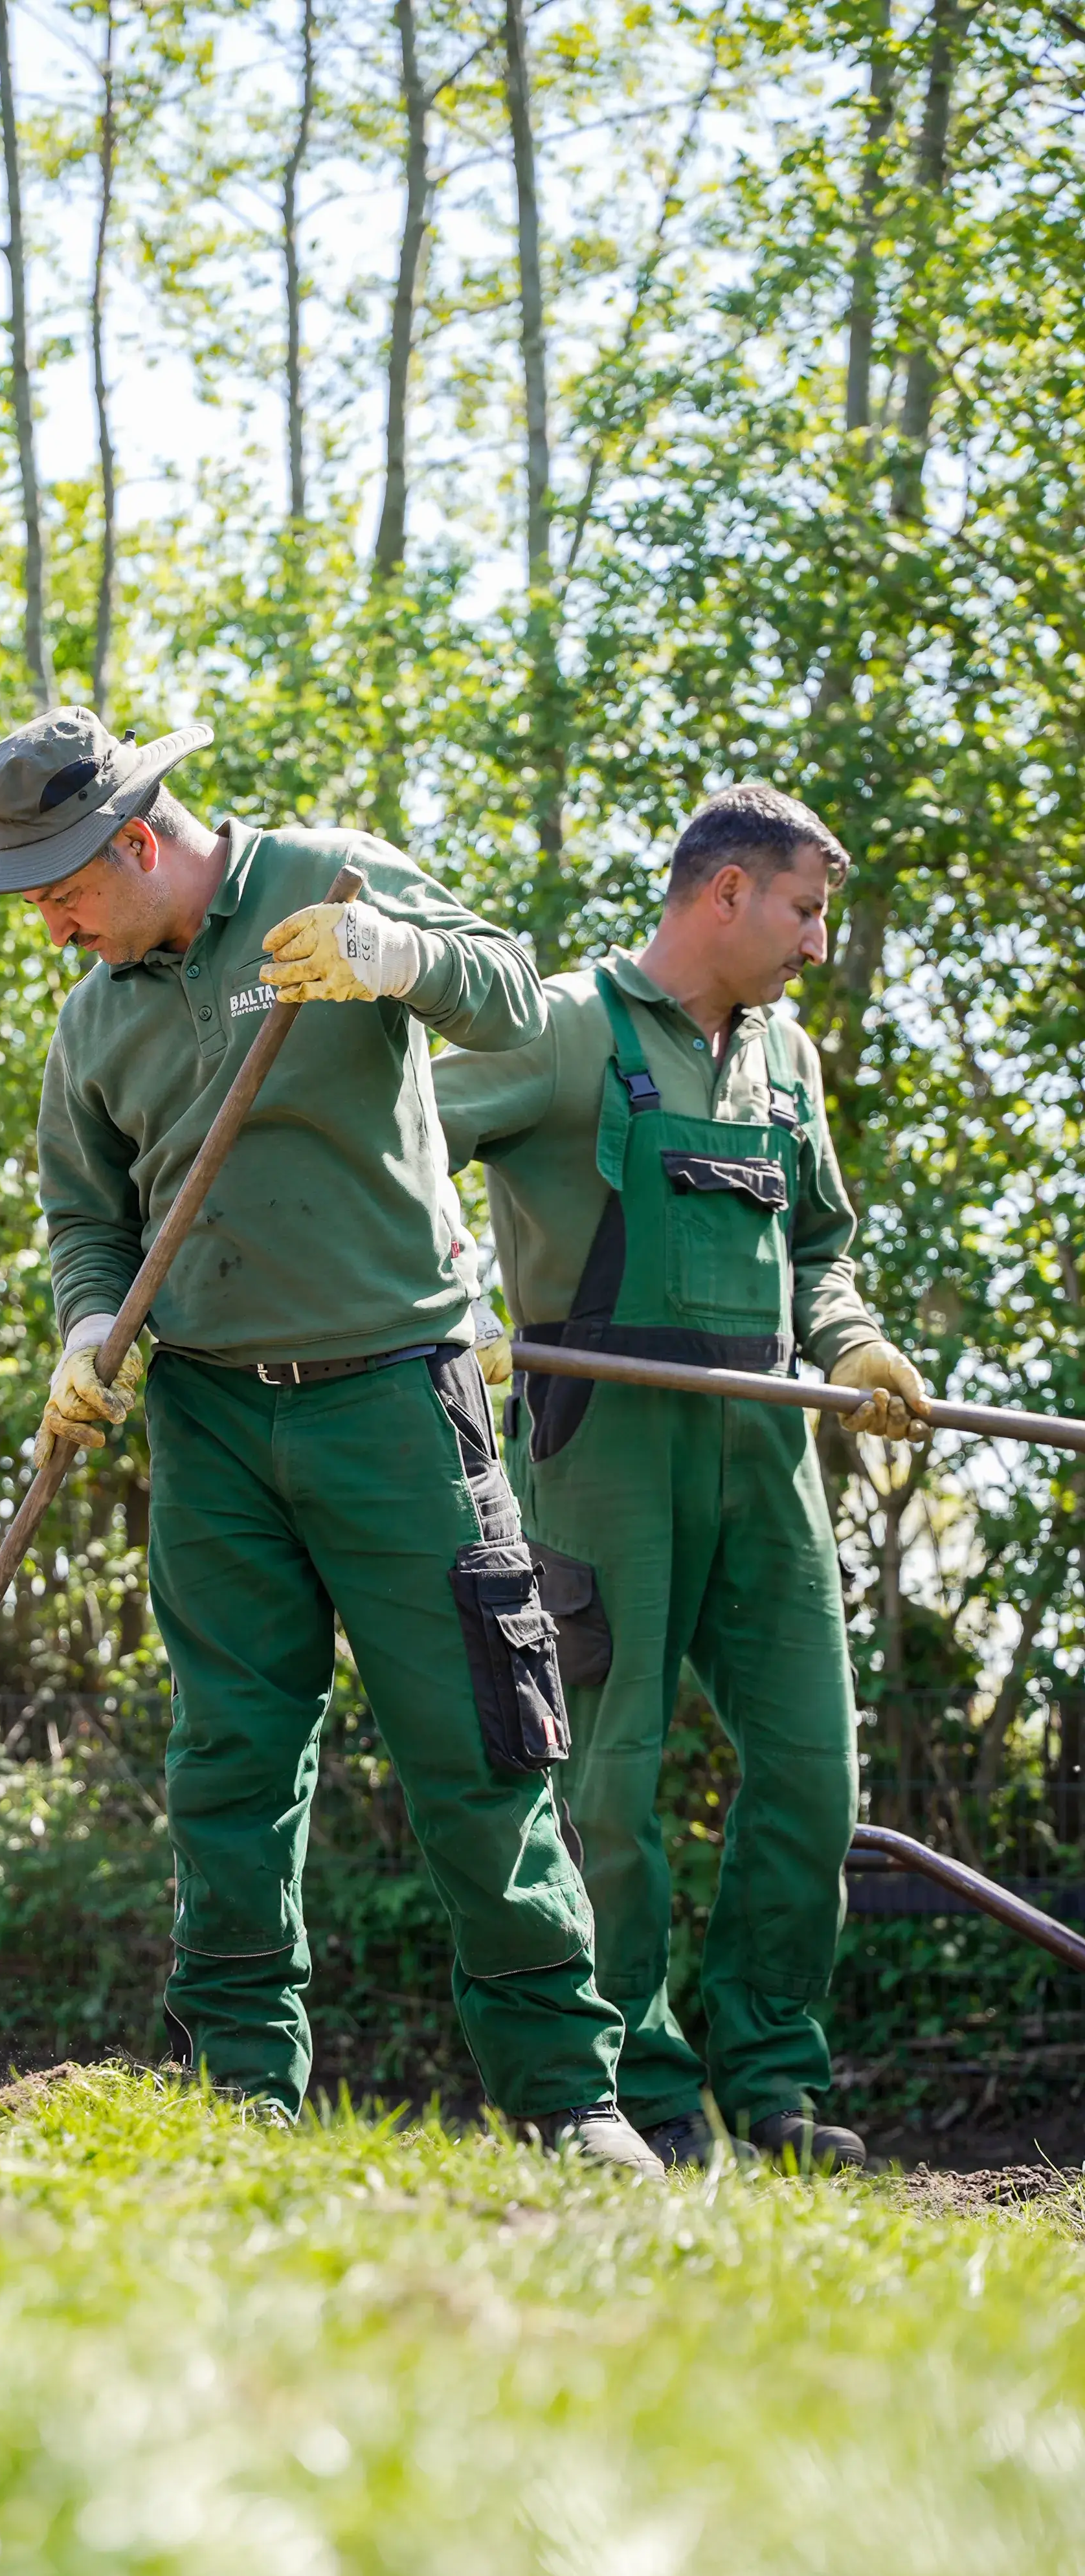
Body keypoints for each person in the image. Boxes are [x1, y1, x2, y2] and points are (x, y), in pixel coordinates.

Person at [0, 702, 661, 2173]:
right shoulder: (94, 1021)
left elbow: (520, 1000)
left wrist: (399, 959)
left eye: (64, 896)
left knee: (480, 1748)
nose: (55, 933)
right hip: (209, 1421)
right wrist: (90, 1335)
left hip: (396, 1398)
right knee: (229, 1759)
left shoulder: (330, 880)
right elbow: (89, 1221)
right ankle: (238, 2099)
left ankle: (568, 2102)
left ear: (137, 844)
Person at [434, 783, 930, 2171]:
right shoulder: (562, 1024)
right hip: (604, 1445)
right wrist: (442, 1301)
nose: (818, 941)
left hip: (767, 1452)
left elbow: (817, 1246)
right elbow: (410, 1150)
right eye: (805, 909)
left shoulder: (789, 1062)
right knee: (610, 1781)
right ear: (725, 892)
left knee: (813, 1771)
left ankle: (770, 2083)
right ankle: (645, 2091)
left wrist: (856, 1340)